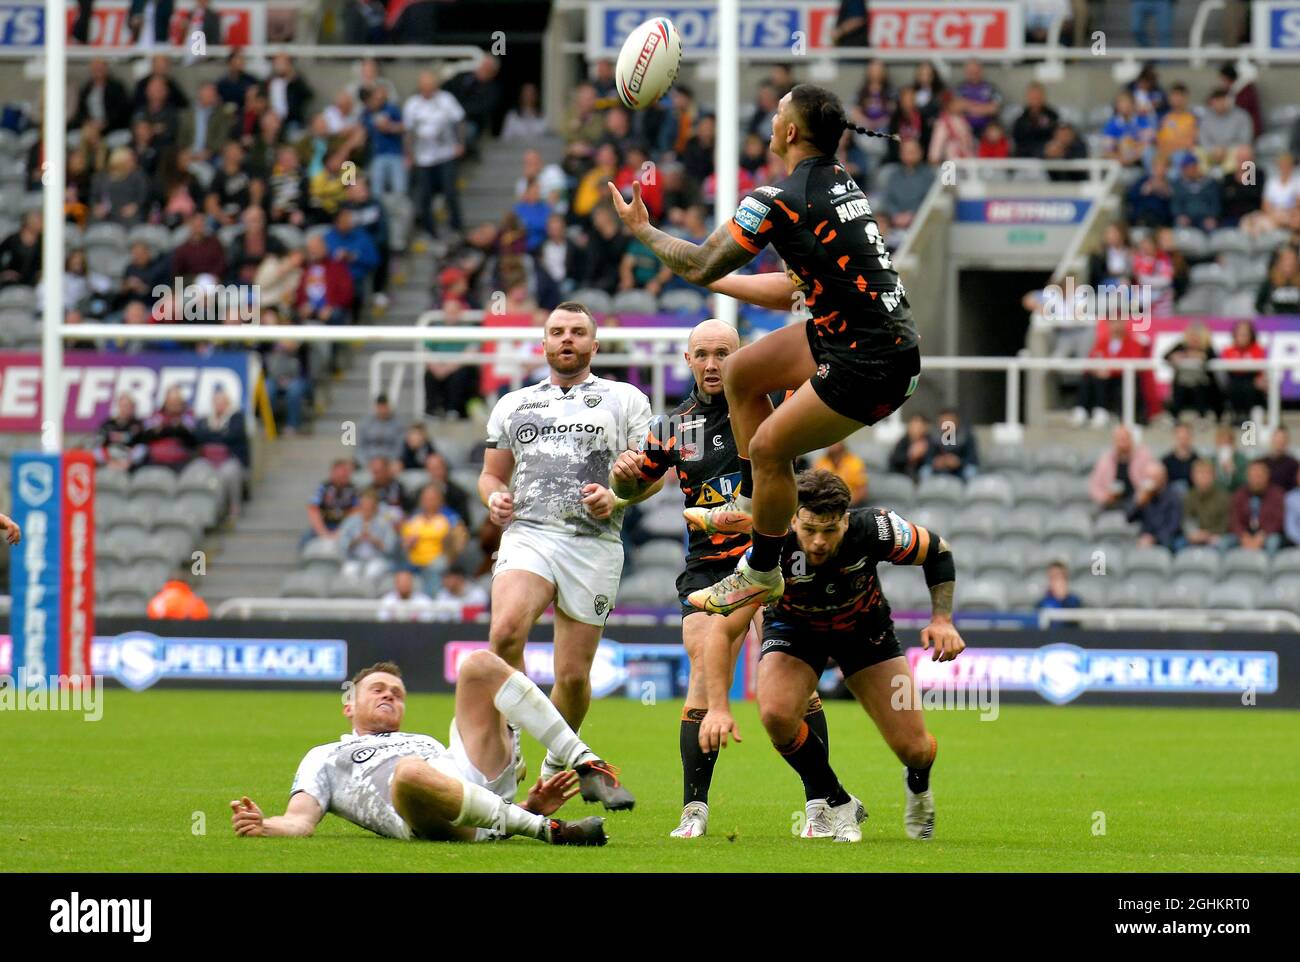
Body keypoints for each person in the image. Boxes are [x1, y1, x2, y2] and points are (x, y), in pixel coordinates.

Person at [607, 84, 920, 616]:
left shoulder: (776, 200)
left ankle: (761, 569)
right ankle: (752, 504)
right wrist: (718, 284)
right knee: (742, 371)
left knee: (772, 447)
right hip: (860, 337)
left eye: (777, 113)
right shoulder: (840, 186)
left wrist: (643, 231)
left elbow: (702, 262)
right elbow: (787, 290)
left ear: (791, 132)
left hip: (869, 363)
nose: (770, 119)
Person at [608, 319, 827, 839]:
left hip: (773, 555)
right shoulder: (671, 427)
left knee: (795, 692)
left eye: (723, 353)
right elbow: (640, 484)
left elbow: (811, 463)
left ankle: (821, 801)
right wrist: (621, 481)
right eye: (702, 354)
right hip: (708, 565)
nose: (712, 364)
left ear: (741, 356)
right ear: (688, 361)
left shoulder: (775, 406)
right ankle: (694, 809)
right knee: (704, 673)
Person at [478, 302, 652, 795]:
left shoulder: (625, 399)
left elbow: (651, 476)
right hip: (529, 534)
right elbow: (491, 473)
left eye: (578, 332)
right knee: (506, 630)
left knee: (572, 678)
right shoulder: (514, 404)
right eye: (557, 332)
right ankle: (507, 744)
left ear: (594, 346)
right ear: (545, 344)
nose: (567, 339)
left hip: (593, 543)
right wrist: (493, 496)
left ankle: (557, 762)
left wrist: (618, 496)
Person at [756, 470, 962, 841]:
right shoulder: (771, 535)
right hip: (795, 631)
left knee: (915, 750)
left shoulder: (875, 529)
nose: (818, 542)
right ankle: (838, 800)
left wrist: (942, 619)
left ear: (847, 520)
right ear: (793, 518)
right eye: (809, 530)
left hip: (865, 632)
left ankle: (919, 788)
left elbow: (938, 550)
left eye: (830, 530)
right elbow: (746, 592)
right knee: (775, 714)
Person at [229, 657, 626, 844]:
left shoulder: (423, 739)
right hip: (418, 813)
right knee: (409, 773)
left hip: (474, 790)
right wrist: (267, 826)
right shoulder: (325, 756)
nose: (389, 694)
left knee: (478, 665)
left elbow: (465, 800)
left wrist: (528, 803)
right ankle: (545, 831)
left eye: (397, 693)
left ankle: (585, 761)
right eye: (378, 690)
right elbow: (301, 821)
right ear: (348, 705)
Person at [403, 71, 465, 240]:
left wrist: (460, 143)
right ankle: (430, 231)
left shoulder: (446, 99)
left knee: (450, 191)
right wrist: (409, 155)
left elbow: (459, 120)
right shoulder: (412, 104)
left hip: (446, 154)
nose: (428, 91)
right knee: (424, 196)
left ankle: (456, 227)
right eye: (425, 88)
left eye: (431, 87)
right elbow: (408, 133)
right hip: (423, 158)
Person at [401, 484, 469, 595]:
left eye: (432, 499)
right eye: (426, 499)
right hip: (414, 560)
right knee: (401, 572)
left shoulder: (450, 517)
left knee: (433, 569)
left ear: (440, 500)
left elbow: (460, 539)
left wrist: (450, 544)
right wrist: (409, 543)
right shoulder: (414, 518)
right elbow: (404, 543)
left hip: (439, 559)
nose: (429, 502)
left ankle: (431, 604)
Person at [194, 388, 249, 520]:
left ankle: (233, 507)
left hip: (230, 459)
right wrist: (220, 434)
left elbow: (232, 436)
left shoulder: (237, 417)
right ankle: (204, 510)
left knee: (228, 473)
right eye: (216, 402)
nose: (219, 405)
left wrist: (212, 434)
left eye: (222, 402)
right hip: (208, 459)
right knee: (198, 471)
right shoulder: (205, 418)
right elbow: (199, 436)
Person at [1089, 425, 1156, 512]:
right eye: (1119, 439)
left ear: (1131, 439)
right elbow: (1094, 486)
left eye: (1125, 439)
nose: (1122, 443)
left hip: (1136, 500)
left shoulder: (1143, 456)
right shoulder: (1105, 460)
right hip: (1112, 501)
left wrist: (1145, 493)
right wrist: (1106, 497)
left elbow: (1152, 479)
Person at [337, 490, 398, 582]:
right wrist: (356, 540)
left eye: (370, 507)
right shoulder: (350, 521)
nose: (366, 510)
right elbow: (342, 545)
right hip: (355, 559)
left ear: (375, 508)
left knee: (372, 571)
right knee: (348, 571)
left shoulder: (384, 523)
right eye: (364, 506)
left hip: (377, 559)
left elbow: (390, 548)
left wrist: (375, 540)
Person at [1164, 322, 1221, 420]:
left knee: (1199, 387)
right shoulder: (1181, 347)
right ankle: (1174, 417)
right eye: (1191, 336)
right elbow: (1166, 356)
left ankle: (1202, 416)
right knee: (1179, 388)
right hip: (1182, 386)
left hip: (1203, 386)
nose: (1194, 339)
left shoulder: (1207, 348)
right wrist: (1178, 356)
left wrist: (1201, 356)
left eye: (1197, 336)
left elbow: (1214, 359)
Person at [1227, 460, 1285, 554]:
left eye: (1260, 476)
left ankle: (1269, 568)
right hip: (1243, 534)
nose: (1257, 480)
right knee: (1224, 543)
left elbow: (1278, 520)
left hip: (1267, 534)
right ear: (1248, 477)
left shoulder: (1277, 494)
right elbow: (1234, 519)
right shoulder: (1239, 494)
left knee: (1273, 542)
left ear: (1267, 476)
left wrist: (1262, 536)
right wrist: (1243, 536)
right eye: (1253, 476)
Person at [1126, 462, 1184, 552]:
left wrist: (1154, 539)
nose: (1150, 481)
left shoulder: (1173, 496)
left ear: (1163, 478)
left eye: (1154, 477)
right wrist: (1138, 504)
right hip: (1145, 539)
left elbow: (1173, 526)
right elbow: (1129, 518)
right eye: (1148, 477)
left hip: (1167, 540)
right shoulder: (1142, 495)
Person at [138, 387, 197, 470]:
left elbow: (192, 438)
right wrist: (163, 428)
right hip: (155, 461)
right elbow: (144, 436)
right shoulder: (156, 416)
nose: (174, 405)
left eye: (177, 402)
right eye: (172, 402)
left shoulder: (188, 417)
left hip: (180, 462)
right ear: (166, 402)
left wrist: (178, 427)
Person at [1221, 320, 1268, 423]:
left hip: (1252, 380)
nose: (1242, 337)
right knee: (1234, 385)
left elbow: (1260, 370)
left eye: (1245, 334)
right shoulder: (1228, 350)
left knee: (1249, 385)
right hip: (1234, 381)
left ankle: (1247, 414)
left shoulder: (1258, 349)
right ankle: (1237, 414)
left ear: (1251, 335)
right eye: (1240, 334)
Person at [306, 458, 359, 543]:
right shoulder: (324, 487)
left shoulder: (353, 489)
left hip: (344, 527)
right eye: (342, 471)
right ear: (333, 472)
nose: (345, 474)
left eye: (347, 472)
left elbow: (356, 511)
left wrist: (341, 531)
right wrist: (323, 532)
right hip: (325, 525)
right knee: (306, 540)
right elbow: (313, 509)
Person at [1184, 459, 1231, 547]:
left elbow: (1226, 522)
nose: (1203, 477)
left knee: (1221, 544)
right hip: (1196, 535)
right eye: (1200, 473)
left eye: (1207, 473)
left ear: (1214, 476)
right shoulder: (1189, 497)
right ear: (1193, 476)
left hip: (1217, 535)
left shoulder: (1223, 497)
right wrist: (1193, 533)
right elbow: (1187, 520)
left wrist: (1209, 534)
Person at [924, 407, 978, 480]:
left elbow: (973, 459)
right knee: (925, 471)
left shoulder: (966, 437)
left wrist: (958, 462)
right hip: (937, 470)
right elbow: (927, 458)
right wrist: (936, 462)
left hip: (960, 470)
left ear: (957, 422)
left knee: (971, 471)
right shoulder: (933, 437)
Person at [94, 393, 145, 470]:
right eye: (122, 406)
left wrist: (128, 461)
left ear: (133, 408)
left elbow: (141, 447)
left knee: (143, 449)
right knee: (95, 451)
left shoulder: (138, 425)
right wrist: (108, 461)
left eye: (128, 406)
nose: (125, 409)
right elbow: (99, 445)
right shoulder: (108, 424)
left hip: (127, 457)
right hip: (110, 457)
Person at [358, 394, 404, 467]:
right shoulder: (366, 423)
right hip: (369, 459)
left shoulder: (397, 424)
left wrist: (391, 461)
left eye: (384, 407)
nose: (382, 410)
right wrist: (365, 462)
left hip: (389, 461)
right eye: (380, 407)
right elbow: (360, 446)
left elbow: (399, 447)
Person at [889, 412, 932, 481]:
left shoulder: (929, 441)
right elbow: (896, 458)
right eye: (913, 425)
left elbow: (931, 460)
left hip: (920, 474)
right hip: (901, 472)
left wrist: (921, 454)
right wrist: (911, 455)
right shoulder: (904, 441)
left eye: (919, 427)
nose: (916, 429)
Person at [1162, 423, 1199, 494]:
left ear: (1191, 438)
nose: (1183, 441)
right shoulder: (1165, 462)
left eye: (1186, 438)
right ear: (1175, 437)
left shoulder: (1198, 461)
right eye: (1180, 438)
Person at [1265, 427, 1300, 493]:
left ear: (1287, 441)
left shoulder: (1294, 464)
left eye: (1283, 438)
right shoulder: (1263, 463)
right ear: (1272, 439)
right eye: (1278, 438)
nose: (1280, 441)